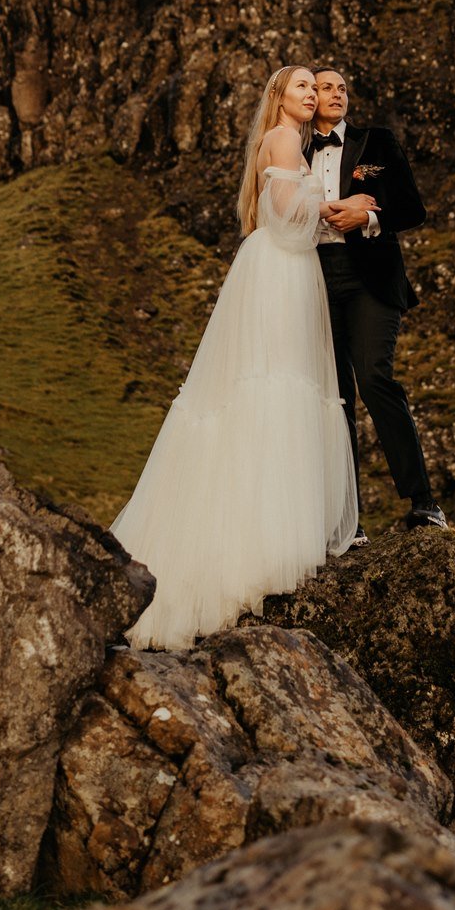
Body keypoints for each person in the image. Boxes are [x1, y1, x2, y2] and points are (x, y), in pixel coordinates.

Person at [110, 65, 359, 649]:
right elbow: (285, 215)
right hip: (280, 269)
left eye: (312, 87)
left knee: (274, 387)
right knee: (276, 385)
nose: (311, 94)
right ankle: (268, 543)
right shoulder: (282, 137)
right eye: (301, 86)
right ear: (280, 97)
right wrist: (330, 205)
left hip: (282, 269)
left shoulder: (284, 141)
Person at [306, 67, 447, 536]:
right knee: (335, 397)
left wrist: (367, 216)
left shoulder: (377, 142)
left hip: (371, 278)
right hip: (315, 279)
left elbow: (412, 208)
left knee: (374, 378)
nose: (337, 93)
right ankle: (350, 523)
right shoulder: (294, 149)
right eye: (326, 87)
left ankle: (424, 503)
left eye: (342, 88)